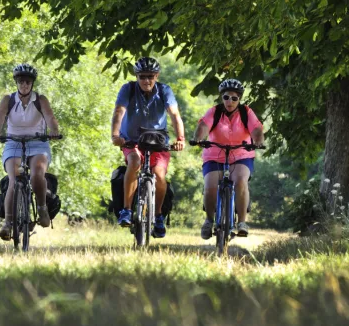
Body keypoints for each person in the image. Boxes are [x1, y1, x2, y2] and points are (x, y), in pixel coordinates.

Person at [110, 57, 185, 238]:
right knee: (134, 162)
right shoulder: (128, 89)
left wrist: (180, 138)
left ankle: (158, 215)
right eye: (142, 76)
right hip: (132, 140)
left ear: (156, 76)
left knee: (159, 174)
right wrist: (115, 135)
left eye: (150, 76)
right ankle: (126, 210)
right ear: (137, 76)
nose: (146, 80)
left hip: (158, 141)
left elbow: (174, 114)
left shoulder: (164, 90)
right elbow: (119, 111)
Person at [0, 63, 60, 241]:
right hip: (13, 142)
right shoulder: (8, 100)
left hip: (37, 143)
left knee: (37, 174)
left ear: (32, 84)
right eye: (21, 81)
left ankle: (42, 208)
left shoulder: (40, 100)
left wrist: (53, 131)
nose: (24, 85)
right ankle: (7, 223)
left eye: (27, 82)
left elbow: (50, 117)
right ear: (16, 83)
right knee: (14, 179)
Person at [192, 78, 265, 239]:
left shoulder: (246, 113)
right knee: (210, 185)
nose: (230, 101)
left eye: (234, 98)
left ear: (239, 99)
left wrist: (258, 142)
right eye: (226, 97)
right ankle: (209, 220)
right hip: (214, 154)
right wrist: (198, 138)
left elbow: (256, 129)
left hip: (241, 155)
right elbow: (203, 126)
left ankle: (242, 222)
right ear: (221, 97)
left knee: (240, 181)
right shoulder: (214, 112)